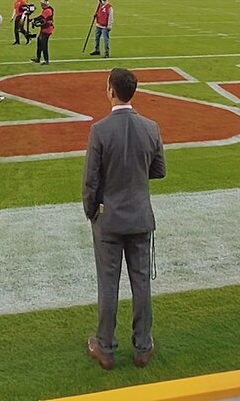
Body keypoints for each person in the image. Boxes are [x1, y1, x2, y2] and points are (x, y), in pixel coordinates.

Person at [82, 67, 166, 371]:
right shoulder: (150, 127)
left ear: (111, 91)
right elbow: (159, 170)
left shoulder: (100, 130)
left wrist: (91, 211)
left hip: (110, 219)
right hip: (140, 216)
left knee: (108, 285)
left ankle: (105, 347)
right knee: (141, 283)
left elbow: (91, 180)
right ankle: (143, 346)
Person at [33, 0, 54, 64]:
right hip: (44, 29)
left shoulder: (48, 10)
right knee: (39, 43)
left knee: (44, 45)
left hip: (47, 30)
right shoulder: (45, 10)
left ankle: (46, 60)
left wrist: (34, 20)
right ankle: (38, 58)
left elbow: (42, 18)